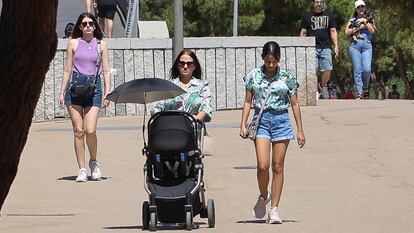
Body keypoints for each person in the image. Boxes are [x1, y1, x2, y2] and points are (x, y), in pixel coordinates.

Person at [239, 41, 306, 224]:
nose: (271, 65)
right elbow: (247, 101)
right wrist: (243, 124)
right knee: (262, 165)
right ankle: (263, 195)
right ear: (263, 58)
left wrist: (300, 130)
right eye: (268, 61)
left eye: (274, 61)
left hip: (281, 121)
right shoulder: (253, 75)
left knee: (278, 166)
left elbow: (294, 104)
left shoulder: (286, 77)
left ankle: (274, 209)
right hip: (261, 120)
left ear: (278, 59)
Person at [58, 12, 111, 182]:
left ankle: (93, 162)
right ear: (80, 27)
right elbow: (67, 69)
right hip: (74, 88)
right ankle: (81, 169)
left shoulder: (101, 44)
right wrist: (61, 92)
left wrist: (108, 92)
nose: (88, 26)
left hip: (94, 88)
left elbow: (106, 70)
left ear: (95, 26)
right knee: (78, 131)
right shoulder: (73, 43)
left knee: (90, 129)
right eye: (84, 24)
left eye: (91, 23)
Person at [151, 49, 213, 123]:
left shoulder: (202, 86)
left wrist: (197, 118)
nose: (185, 66)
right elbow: (157, 106)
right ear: (178, 65)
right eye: (182, 63)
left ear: (194, 66)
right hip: (170, 127)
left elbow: (206, 107)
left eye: (189, 64)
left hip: (193, 129)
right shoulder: (168, 86)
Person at [300, 0, 339, 99]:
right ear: (313, 3)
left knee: (327, 68)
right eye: (317, 1)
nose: (319, 3)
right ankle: (314, 91)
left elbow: (333, 31)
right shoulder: (308, 16)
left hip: (326, 47)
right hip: (312, 47)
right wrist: (301, 47)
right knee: (313, 70)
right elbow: (303, 32)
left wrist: (336, 46)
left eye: (321, 1)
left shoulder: (328, 15)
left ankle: (323, 85)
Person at [345, 0, 376, 99]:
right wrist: (358, 27)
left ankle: (365, 87)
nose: (361, 9)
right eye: (358, 7)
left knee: (367, 69)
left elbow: (372, 30)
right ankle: (359, 92)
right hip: (355, 46)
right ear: (356, 9)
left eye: (362, 7)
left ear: (365, 8)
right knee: (357, 69)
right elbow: (346, 32)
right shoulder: (352, 20)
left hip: (367, 46)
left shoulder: (370, 19)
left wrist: (365, 22)